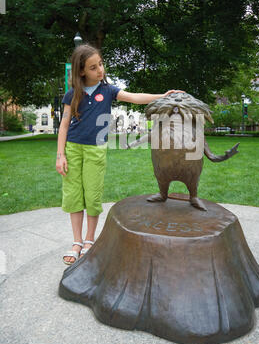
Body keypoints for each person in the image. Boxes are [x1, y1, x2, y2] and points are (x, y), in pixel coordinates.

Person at [56, 43, 184, 265]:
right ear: (81, 71)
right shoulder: (71, 95)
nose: (100, 70)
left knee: (93, 196)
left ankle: (89, 240)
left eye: (101, 64)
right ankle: (76, 242)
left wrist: (163, 96)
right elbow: (64, 126)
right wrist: (61, 155)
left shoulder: (108, 91)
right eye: (93, 67)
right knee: (73, 195)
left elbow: (134, 97)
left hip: (96, 150)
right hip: (73, 149)